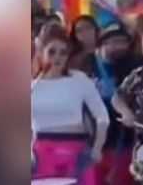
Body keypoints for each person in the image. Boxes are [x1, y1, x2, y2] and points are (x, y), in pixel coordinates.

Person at [31, 24, 109, 185]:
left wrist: (97, 147)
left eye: (63, 52)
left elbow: (102, 117)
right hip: (40, 152)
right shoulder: (32, 86)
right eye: (52, 52)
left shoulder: (79, 79)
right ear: (41, 52)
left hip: (76, 151)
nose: (58, 57)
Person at [79, 22, 141, 185]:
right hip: (94, 143)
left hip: (124, 142)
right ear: (103, 43)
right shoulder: (87, 64)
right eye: (115, 42)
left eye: (124, 41)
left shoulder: (135, 65)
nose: (120, 46)